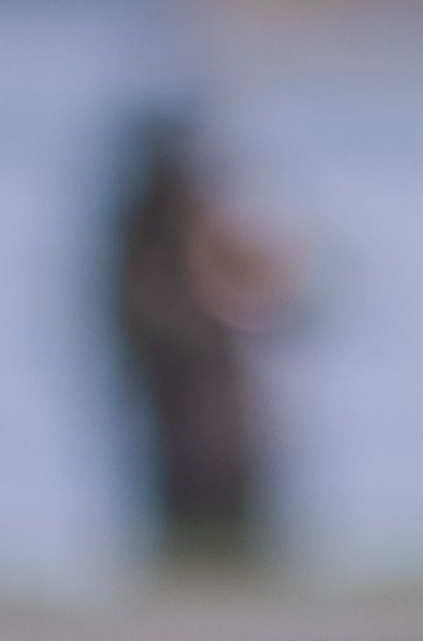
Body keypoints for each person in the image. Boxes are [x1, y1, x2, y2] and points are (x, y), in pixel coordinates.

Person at [99, 99, 300, 573]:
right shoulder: (147, 235)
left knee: (230, 519)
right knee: (194, 517)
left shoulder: (194, 223)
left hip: (221, 416)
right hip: (185, 417)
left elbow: (277, 292)